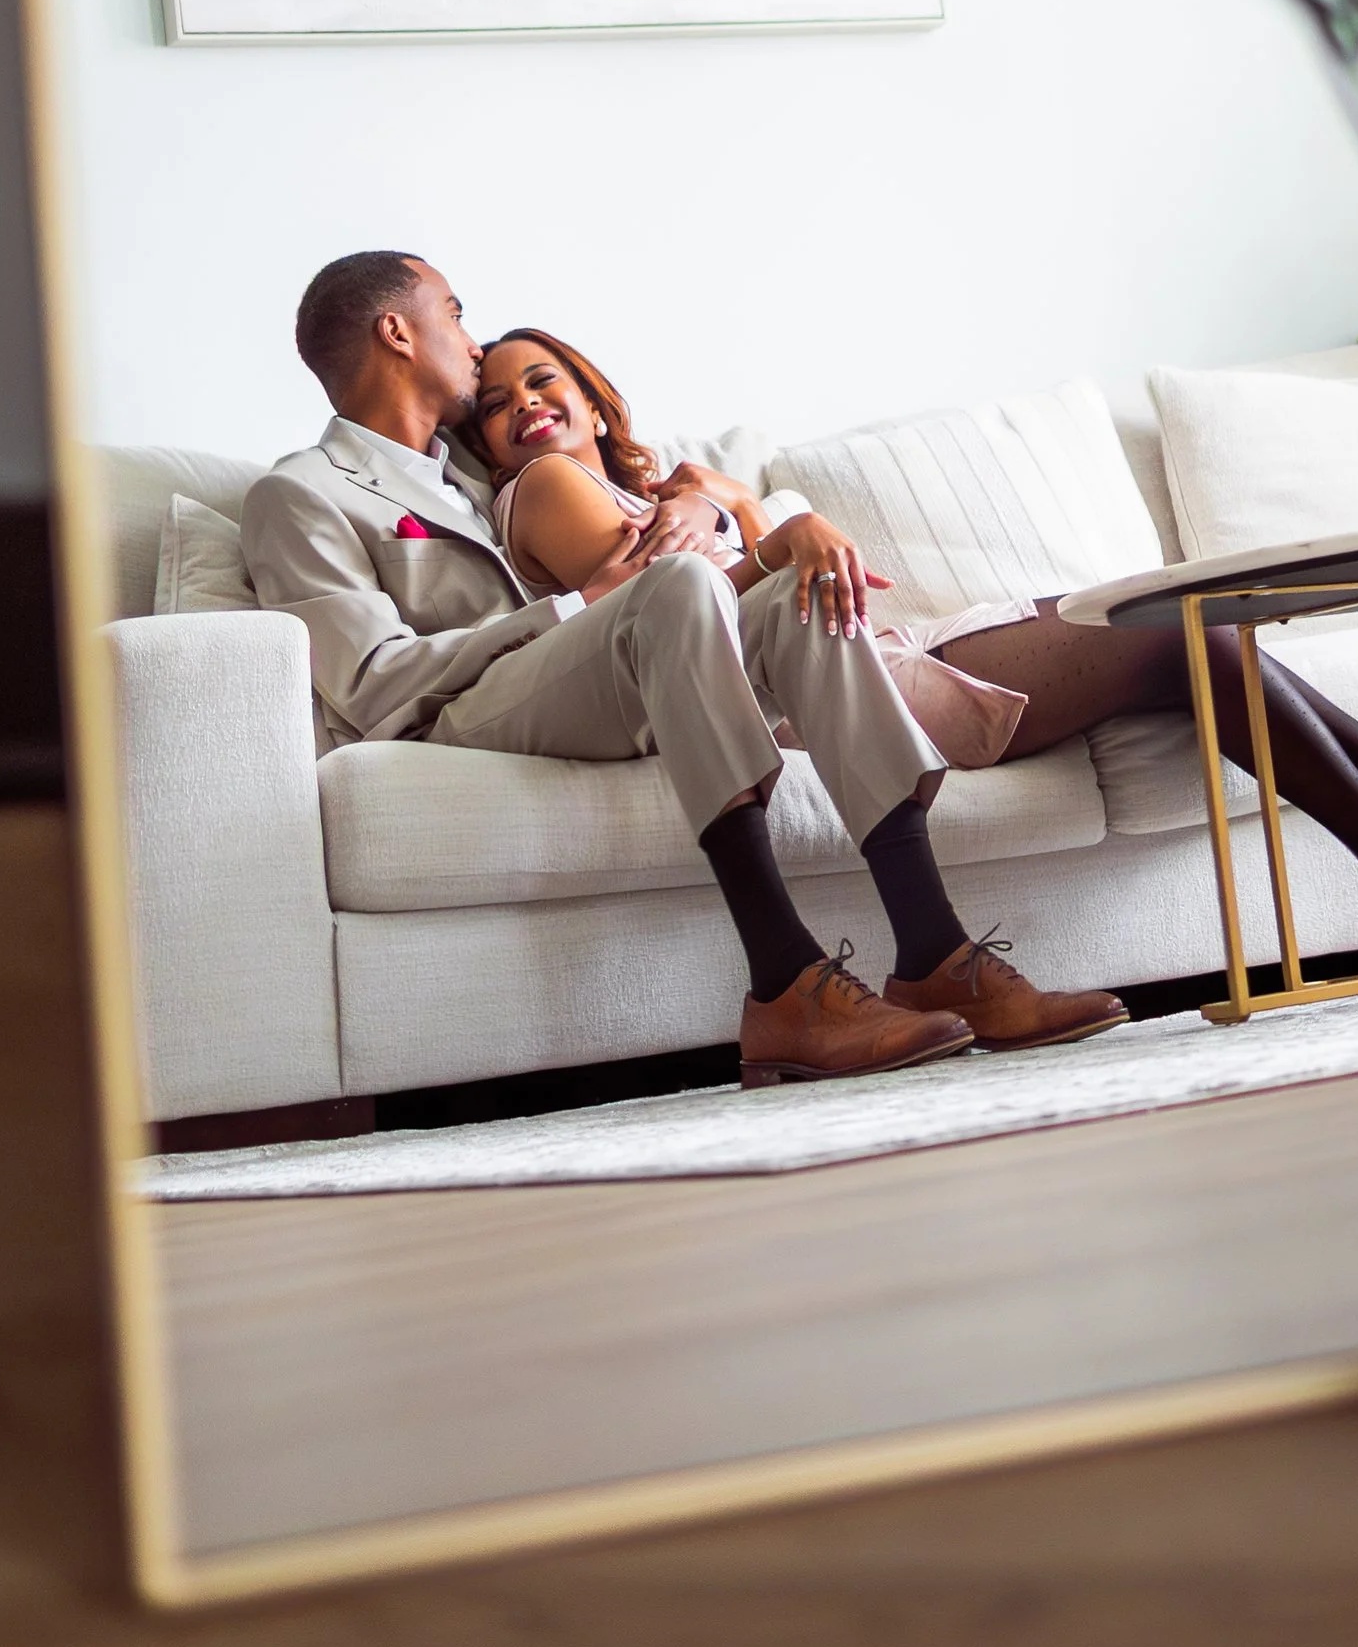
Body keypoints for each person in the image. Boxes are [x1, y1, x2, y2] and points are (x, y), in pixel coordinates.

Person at [241, 252, 1129, 1086]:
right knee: (674, 587)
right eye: (455, 313)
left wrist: (711, 507)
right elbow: (376, 685)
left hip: (588, 675)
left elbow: (645, 503)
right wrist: (575, 606)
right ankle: (783, 983)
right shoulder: (300, 492)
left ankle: (934, 951)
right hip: (463, 717)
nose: (473, 344)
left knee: (790, 594)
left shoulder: (474, 470)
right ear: (398, 332)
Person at [472, 326, 1358, 967]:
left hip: (886, 647)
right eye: (496, 405)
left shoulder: (671, 489)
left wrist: (720, 499)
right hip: (832, 687)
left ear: (597, 399)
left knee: (1172, 622)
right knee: (1175, 635)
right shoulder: (549, 489)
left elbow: (774, 563)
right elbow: (671, 617)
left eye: (541, 381)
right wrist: (765, 529)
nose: (523, 406)